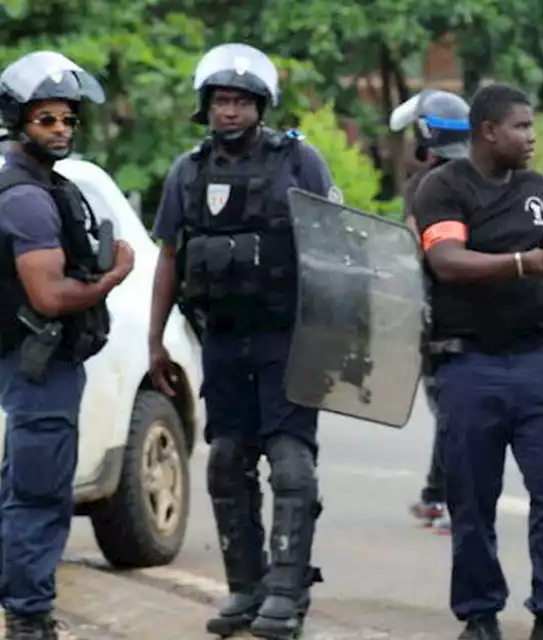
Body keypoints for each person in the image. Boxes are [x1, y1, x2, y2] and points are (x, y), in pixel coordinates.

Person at [146, 42, 338, 640]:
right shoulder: (188, 171)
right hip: (223, 340)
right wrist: (155, 340)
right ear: (207, 107)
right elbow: (169, 259)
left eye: (240, 101)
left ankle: (287, 591)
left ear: (261, 105)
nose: (230, 111)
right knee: (227, 462)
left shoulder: (299, 161)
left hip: (288, 336)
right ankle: (245, 590)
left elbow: (338, 246)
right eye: (221, 101)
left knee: (290, 461)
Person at [411, 82, 543, 640]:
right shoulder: (439, 188)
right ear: (487, 131)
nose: (531, 137)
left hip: (537, 359)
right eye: (520, 126)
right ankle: (480, 614)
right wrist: (525, 263)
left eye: (532, 126)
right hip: (468, 364)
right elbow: (447, 261)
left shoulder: (538, 187)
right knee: (471, 498)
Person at [0, 51, 133, 640]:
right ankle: (28, 619)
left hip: (44, 364)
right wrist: (115, 275)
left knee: (25, 488)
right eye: (45, 119)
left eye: (67, 120)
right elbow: (51, 296)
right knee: (38, 493)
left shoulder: (46, 184)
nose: (59, 130)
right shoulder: (26, 196)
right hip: (39, 364)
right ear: (18, 120)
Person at [390, 88, 472, 533]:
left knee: (450, 409)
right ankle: (438, 494)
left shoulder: (423, 186)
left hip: (439, 314)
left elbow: (412, 249)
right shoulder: (487, 177)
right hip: (486, 311)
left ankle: (447, 500)